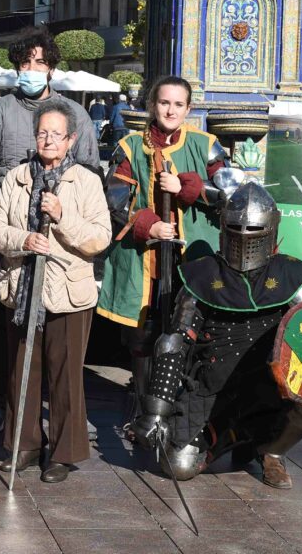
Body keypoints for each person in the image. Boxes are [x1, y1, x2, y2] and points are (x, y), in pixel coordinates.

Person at [131, 183, 302, 489]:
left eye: (253, 230)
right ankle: (234, 435)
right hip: (213, 386)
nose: (244, 238)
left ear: (270, 230)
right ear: (223, 229)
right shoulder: (202, 276)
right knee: (178, 465)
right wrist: (156, 412)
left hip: (271, 385)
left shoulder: (294, 278)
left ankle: (272, 451)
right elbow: (174, 342)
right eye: (235, 228)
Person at [0, 26, 100, 434]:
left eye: (39, 63)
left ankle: (60, 418)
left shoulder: (75, 114)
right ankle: (3, 404)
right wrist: (12, 203)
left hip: (62, 234)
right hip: (10, 230)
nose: (32, 69)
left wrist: (63, 206)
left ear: (51, 67)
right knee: (0, 320)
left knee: (61, 333)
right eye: (25, 62)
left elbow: (90, 169)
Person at [0, 100, 111, 483]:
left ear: (71, 139)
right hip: (22, 288)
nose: (49, 140)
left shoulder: (86, 181)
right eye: (42, 133)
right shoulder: (17, 177)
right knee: (21, 369)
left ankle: (62, 452)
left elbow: (99, 238)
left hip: (68, 292)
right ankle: (23, 445)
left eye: (57, 134)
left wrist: (62, 217)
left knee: (65, 375)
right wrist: (24, 240)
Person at [98, 76, 225, 428]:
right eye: (164, 102)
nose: (170, 110)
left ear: (188, 109)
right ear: (153, 105)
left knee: (187, 329)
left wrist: (189, 187)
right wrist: (147, 224)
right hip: (145, 258)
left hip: (192, 258)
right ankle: (143, 408)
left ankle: (180, 407)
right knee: (142, 333)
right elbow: (114, 199)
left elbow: (229, 192)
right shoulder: (129, 147)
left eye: (178, 104)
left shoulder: (206, 145)